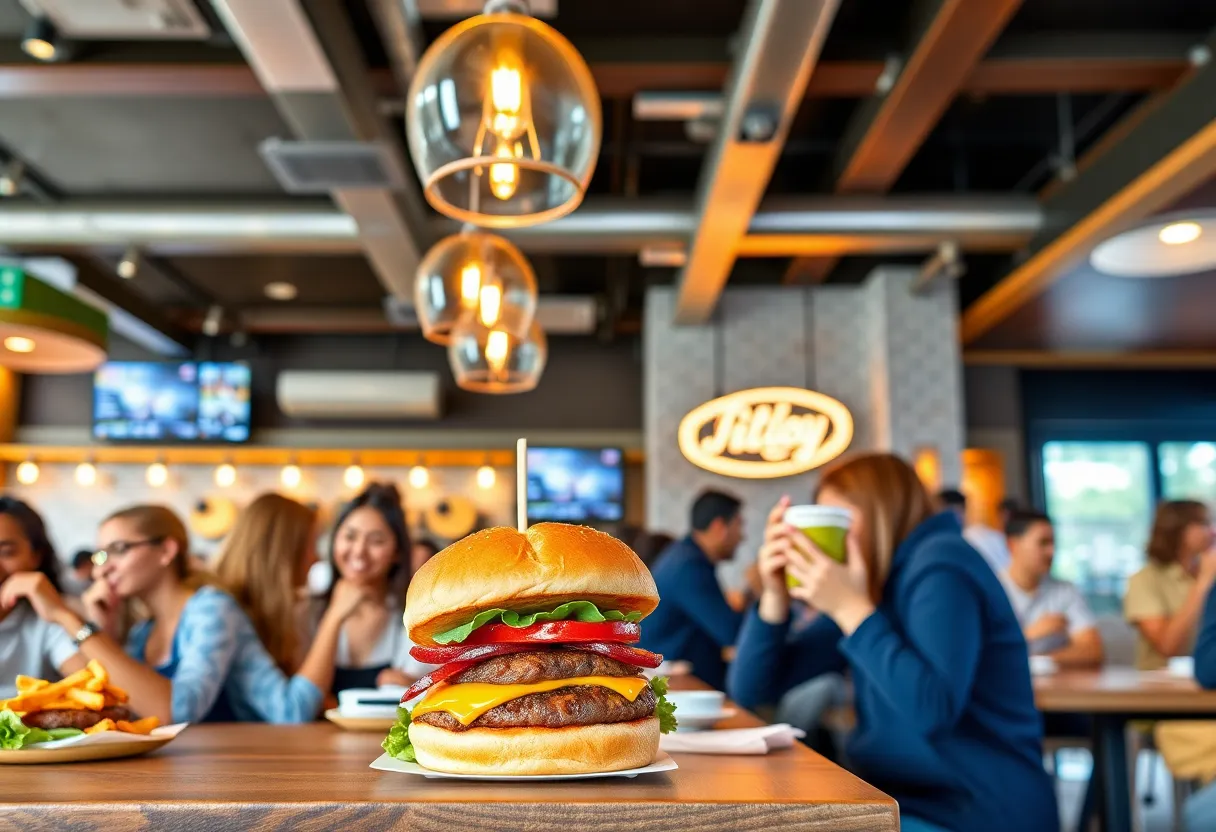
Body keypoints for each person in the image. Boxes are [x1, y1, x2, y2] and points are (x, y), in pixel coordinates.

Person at [730, 454, 1056, 832]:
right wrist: (774, 597)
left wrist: (852, 609)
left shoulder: (942, 565)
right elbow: (753, 688)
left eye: (838, 521)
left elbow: (932, 710)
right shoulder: (874, 588)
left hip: (973, 810)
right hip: (896, 803)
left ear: (881, 512)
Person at [1, 504, 365, 724]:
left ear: (166, 551)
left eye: (119, 550)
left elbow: (181, 708)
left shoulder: (211, 608)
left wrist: (68, 618)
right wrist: (105, 631)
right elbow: (128, 707)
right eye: (101, 555)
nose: (103, 568)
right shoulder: (144, 630)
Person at [314, 483, 435, 693]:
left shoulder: (412, 622)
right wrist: (334, 616)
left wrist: (412, 684)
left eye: (376, 541)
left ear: (397, 552)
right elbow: (304, 696)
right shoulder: (307, 610)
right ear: (335, 540)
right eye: (350, 537)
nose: (359, 551)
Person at [639, 490, 745, 691]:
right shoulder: (689, 566)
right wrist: (761, 595)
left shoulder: (684, 556)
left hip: (676, 678)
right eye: (739, 525)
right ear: (719, 527)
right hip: (671, 684)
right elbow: (733, 633)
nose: (743, 536)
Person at [212, 493, 319, 672]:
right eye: (310, 546)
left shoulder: (279, 612)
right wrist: (335, 617)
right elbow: (292, 700)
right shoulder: (224, 610)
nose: (316, 558)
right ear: (284, 553)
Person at [0, 498, 85, 698]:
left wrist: (62, 614)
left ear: (36, 556)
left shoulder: (46, 622)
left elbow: (94, 685)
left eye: (6, 552)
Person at [999, 510, 1103, 667]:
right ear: (1013, 545)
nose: (1051, 552)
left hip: (1059, 688)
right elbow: (987, 655)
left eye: (1053, 543)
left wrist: (1039, 660)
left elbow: (1093, 650)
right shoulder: (991, 590)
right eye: (1043, 543)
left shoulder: (1065, 590)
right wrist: (1029, 635)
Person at [1125, 500, 1216, 670]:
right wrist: (1203, 583)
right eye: (1203, 524)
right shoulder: (1144, 580)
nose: (1212, 531)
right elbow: (1168, 647)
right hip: (1162, 688)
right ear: (1177, 530)